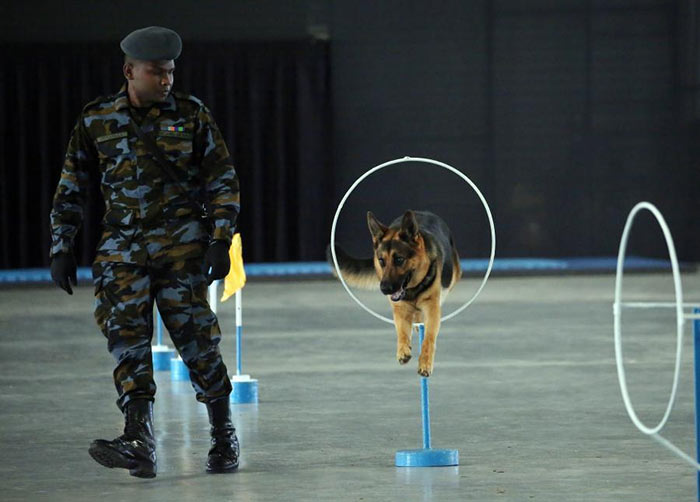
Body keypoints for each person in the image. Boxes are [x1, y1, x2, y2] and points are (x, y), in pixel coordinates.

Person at [49, 26, 240, 478]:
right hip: (121, 251)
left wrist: (220, 239)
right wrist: (62, 245)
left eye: (171, 72)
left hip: (182, 250)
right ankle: (138, 440)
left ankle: (223, 434)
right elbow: (71, 185)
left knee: (199, 346)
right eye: (157, 72)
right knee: (127, 345)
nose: (167, 80)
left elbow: (222, 179)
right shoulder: (97, 118)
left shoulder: (192, 115)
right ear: (130, 71)